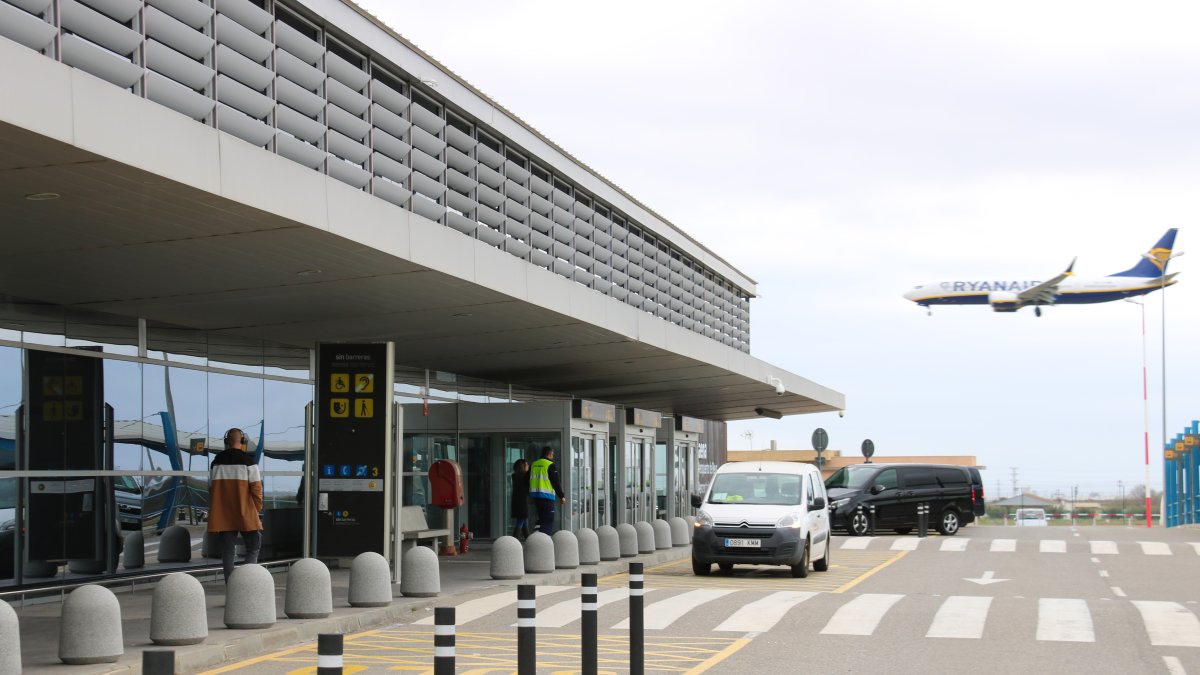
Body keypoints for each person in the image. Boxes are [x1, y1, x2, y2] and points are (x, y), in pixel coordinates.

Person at [208, 428, 263, 582]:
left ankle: (231, 587)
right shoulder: (249, 462)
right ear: (243, 441)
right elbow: (257, 489)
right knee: (253, 547)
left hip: (224, 514)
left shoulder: (216, 462)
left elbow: (212, 490)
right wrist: (256, 510)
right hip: (246, 513)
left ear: (226, 441)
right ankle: (245, 583)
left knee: (227, 552)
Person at [529, 446, 565, 535]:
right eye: (552, 453)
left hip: (536, 497)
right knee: (548, 520)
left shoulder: (534, 464)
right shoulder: (550, 465)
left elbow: (527, 479)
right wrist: (561, 496)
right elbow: (555, 482)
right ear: (549, 453)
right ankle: (545, 541)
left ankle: (537, 536)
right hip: (547, 497)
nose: (553, 455)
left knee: (541, 518)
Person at [510, 458, 531, 540]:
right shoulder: (524, 477)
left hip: (517, 501)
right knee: (521, 521)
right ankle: (513, 540)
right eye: (526, 464)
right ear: (522, 466)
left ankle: (528, 539)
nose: (528, 466)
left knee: (524, 521)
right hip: (522, 502)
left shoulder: (515, 476)